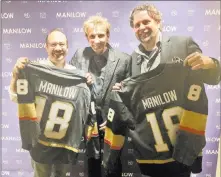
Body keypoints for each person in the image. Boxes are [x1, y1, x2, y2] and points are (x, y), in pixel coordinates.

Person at [106, 3, 221, 177]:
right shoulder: (133, 60)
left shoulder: (182, 44)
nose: (141, 28)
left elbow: (212, 77)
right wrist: (120, 92)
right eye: (137, 25)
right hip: (150, 153)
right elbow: (134, 99)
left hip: (180, 149)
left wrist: (211, 63)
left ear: (158, 21)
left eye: (146, 22)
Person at [9, 28, 92, 177]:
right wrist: (16, 75)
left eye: (61, 44)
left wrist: (86, 83)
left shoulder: (77, 75)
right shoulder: (34, 71)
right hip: (40, 143)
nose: (58, 48)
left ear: (67, 47)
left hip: (65, 143)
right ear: (46, 47)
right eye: (53, 45)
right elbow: (16, 97)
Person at [69, 15, 131, 177]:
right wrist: (81, 78)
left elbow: (131, 94)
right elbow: (70, 84)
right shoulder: (79, 56)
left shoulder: (124, 60)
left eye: (101, 35)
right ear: (86, 37)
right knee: (92, 165)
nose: (97, 40)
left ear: (108, 35)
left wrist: (123, 89)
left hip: (113, 121)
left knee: (114, 166)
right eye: (92, 36)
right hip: (90, 122)